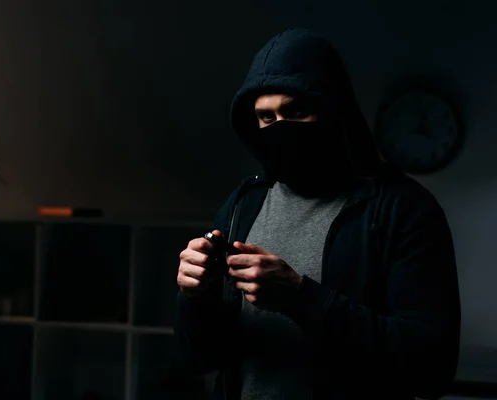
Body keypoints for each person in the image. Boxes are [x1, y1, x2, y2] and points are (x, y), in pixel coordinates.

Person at [174, 28, 461, 400]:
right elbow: (199, 357)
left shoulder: (402, 209)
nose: (280, 128)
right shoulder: (244, 205)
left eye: (295, 111)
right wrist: (196, 295)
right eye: (266, 117)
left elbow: (432, 370)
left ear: (332, 109)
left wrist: (301, 298)